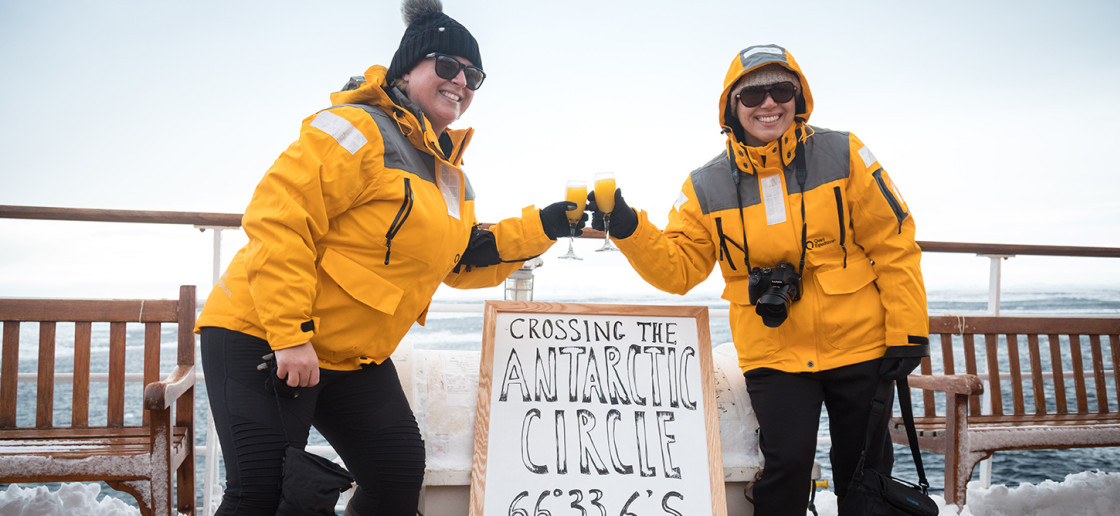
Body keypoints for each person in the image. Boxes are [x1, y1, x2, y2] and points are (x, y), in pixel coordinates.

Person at [194, 0, 584, 514]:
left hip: (351, 355)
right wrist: (290, 334)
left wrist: (547, 226)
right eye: (448, 66)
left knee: (395, 472)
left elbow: (462, 258)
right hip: (264, 333)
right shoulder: (356, 129)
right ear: (407, 69)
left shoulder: (450, 177)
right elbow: (280, 220)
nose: (461, 82)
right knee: (262, 494)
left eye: (474, 75)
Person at [587, 44, 929, 515]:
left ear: (798, 96)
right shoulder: (704, 185)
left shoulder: (845, 153)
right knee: (785, 467)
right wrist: (628, 228)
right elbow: (680, 268)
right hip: (774, 351)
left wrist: (907, 332)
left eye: (781, 90)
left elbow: (894, 242)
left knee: (863, 471)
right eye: (752, 96)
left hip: (861, 342)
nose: (768, 104)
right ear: (732, 107)